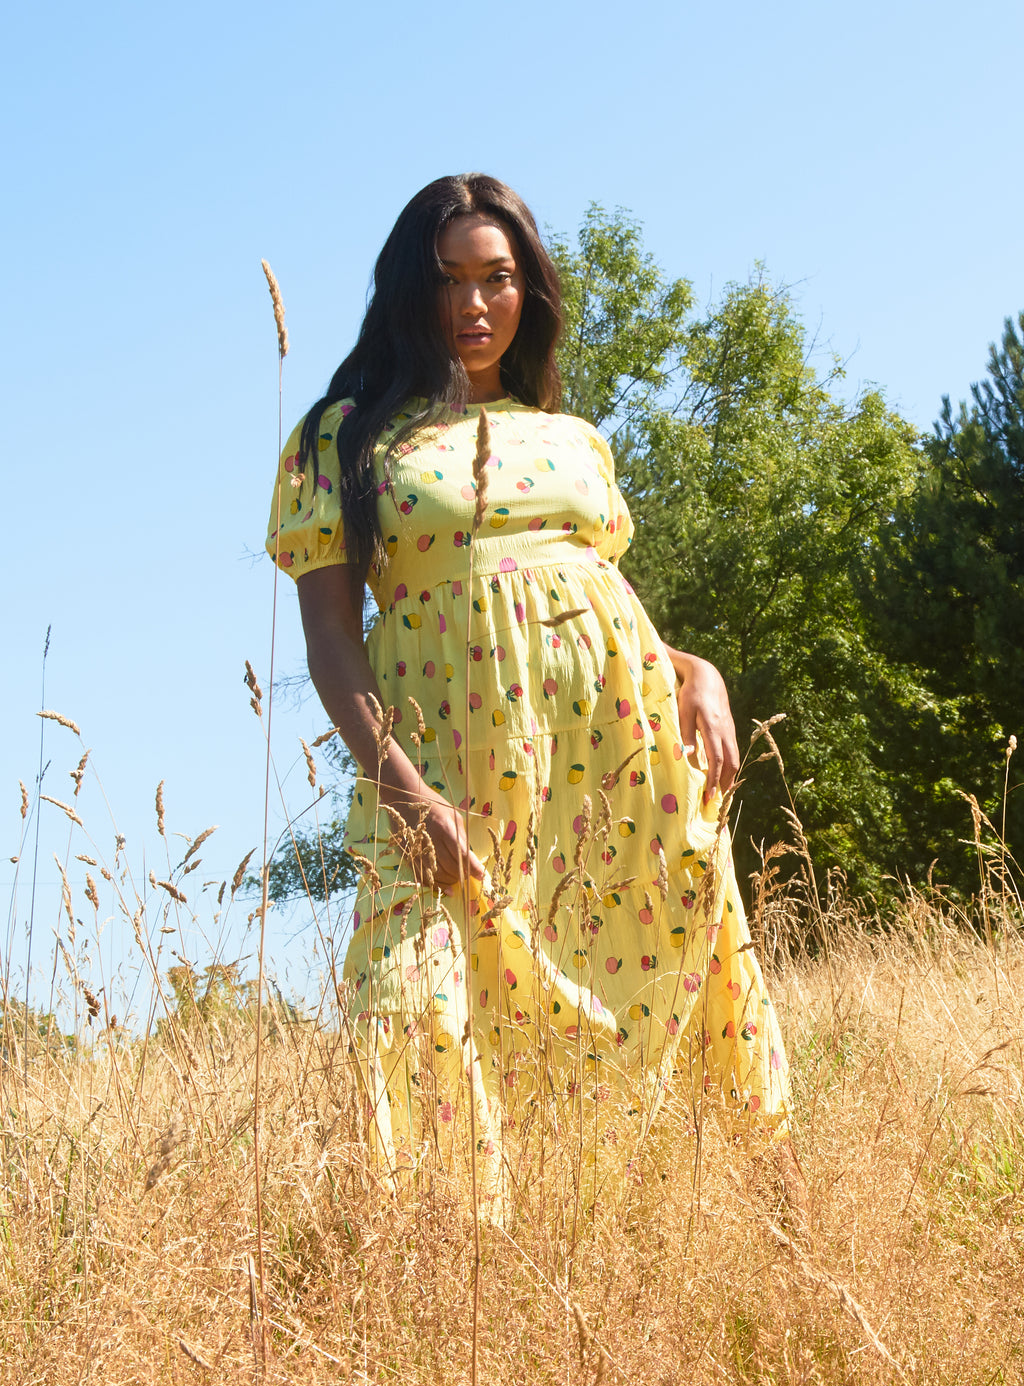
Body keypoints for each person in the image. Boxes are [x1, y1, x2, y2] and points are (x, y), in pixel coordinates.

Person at [267, 173, 794, 1211]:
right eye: (447, 279)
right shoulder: (345, 437)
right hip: (441, 769)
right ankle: (441, 1257)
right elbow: (330, 638)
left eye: (496, 277)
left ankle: (714, 1234)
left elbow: (599, 602)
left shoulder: (572, 439)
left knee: (664, 987)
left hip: (616, 770)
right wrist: (402, 789)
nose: (473, 304)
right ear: (406, 290)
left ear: (529, 289)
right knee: (412, 1001)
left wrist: (700, 674)